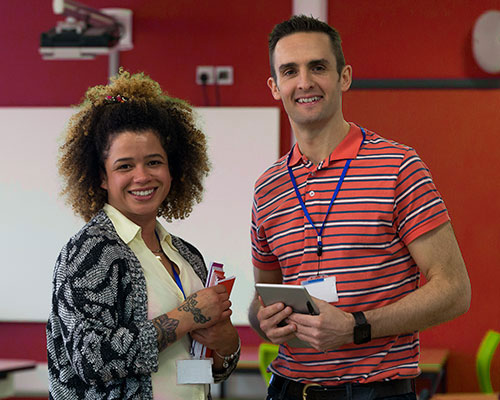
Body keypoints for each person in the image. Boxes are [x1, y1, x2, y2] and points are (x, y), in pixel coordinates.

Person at [248, 15, 471, 400]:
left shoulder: (398, 167)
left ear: (344, 77)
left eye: (318, 67)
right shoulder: (268, 187)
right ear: (274, 86)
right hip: (289, 389)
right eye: (290, 71)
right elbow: (262, 297)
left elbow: (454, 290)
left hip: (375, 391)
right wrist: (262, 320)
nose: (304, 82)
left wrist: (356, 326)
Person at [47, 69, 240, 400]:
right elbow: (90, 360)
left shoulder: (186, 254)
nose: (142, 176)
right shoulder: (90, 252)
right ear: (102, 177)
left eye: (154, 162)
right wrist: (186, 315)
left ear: (172, 168)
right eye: (124, 166)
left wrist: (226, 345)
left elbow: (209, 369)